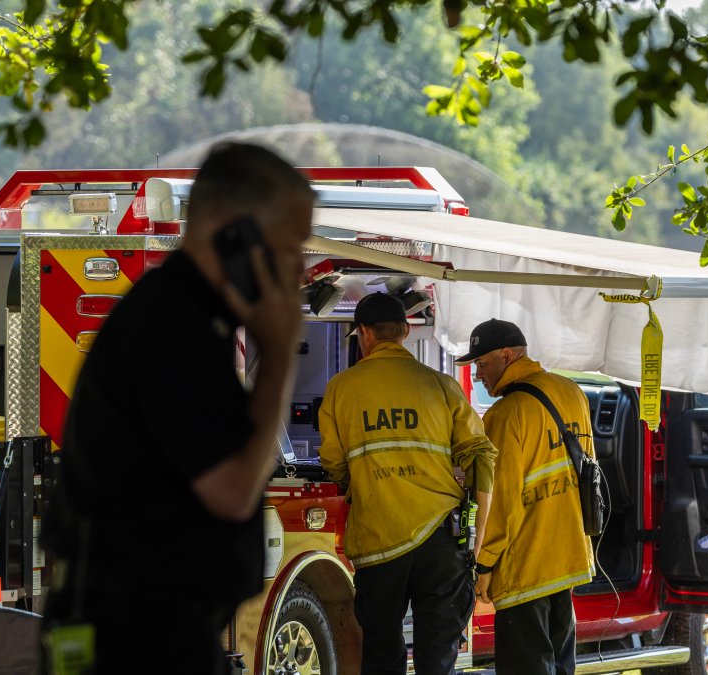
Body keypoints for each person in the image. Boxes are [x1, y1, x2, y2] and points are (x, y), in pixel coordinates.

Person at [41, 142, 314, 675]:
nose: (301, 268)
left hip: (160, 629)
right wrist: (279, 352)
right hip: (130, 636)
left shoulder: (191, 320)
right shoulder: (173, 328)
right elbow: (232, 491)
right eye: (290, 246)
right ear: (236, 236)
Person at [318, 292, 497, 675]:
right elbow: (481, 456)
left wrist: (362, 480)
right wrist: (476, 543)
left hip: (380, 538)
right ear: (404, 331)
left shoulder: (341, 388)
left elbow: (333, 462)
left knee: (382, 652)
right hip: (442, 540)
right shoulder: (442, 385)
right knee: (438, 655)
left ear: (365, 333)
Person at [456, 318, 595, 674]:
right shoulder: (571, 392)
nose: (478, 376)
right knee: (561, 666)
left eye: (482, 364)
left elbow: (501, 501)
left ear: (507, 355)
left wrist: (484, 563)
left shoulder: (505, 414)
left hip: (526, 566)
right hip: (568, 559)